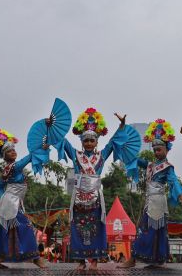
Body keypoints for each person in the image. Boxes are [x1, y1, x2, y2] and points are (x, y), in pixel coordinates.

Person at [47, 108, 128, 270]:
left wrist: (122, 125)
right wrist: (51, 127)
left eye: (92, 141)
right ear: (82, 142)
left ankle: (95, 260)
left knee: (97, 227)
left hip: (96, 199)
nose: (89, 143)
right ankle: (80, 260)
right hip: (78, 198)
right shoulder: (76, 155)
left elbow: (113, 142)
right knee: (77, 227)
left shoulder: (102, 156)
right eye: (86, 141)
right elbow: (63, 141)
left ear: (97, 142)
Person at [119, 119, 182, 269]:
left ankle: (135, 259)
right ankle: (155, 259)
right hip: (149, 202)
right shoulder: (150, 165)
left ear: (167, 149)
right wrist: (125, 146)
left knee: (148, 231)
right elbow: (136, 160)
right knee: (150, 230)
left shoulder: (168, 167)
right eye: (155, 150)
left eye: (159, 149)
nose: (156, 152)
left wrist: (179, 194)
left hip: (158, 203)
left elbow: (174, 181)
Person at [0, 127, 47, 269]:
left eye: (13, 150)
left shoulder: (7, 169)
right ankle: (35, 258)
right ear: (4, 156)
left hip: (11, 203)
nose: (13, 152)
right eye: (9, 151)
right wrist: (40, 148)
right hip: (11, 203)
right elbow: (29, 158)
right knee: (26, 227)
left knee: (5, 230)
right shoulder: (15, 167)